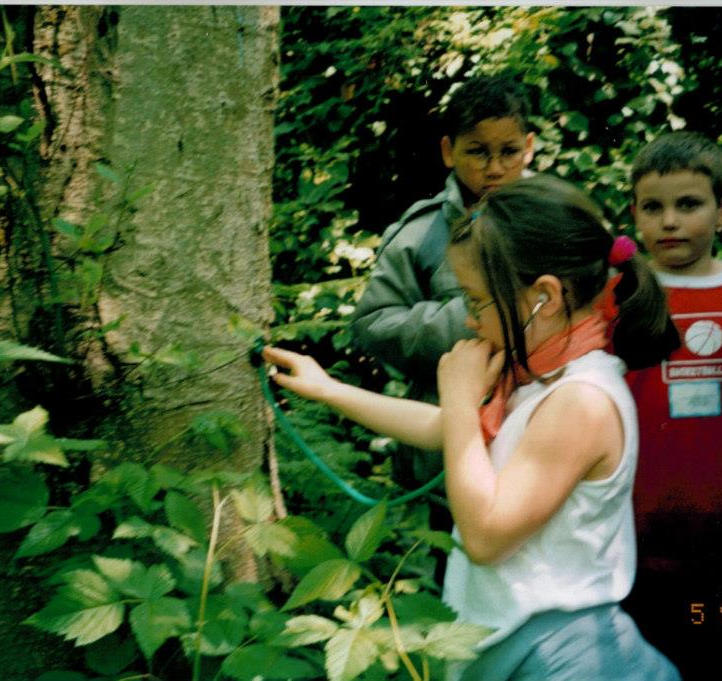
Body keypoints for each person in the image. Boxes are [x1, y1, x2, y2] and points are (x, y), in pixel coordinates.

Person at [265, 175, 681, 680]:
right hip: (522, 651)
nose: (468, 321)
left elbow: (486, 535)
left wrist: (461, 402)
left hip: (567, 657)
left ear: (544, 297)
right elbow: (446, 429)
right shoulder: (536, 379)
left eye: (476, 301)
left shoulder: (582, 400)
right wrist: (329, 389)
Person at [620, 131, 722, 679]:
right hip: (632, 536)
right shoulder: (619, 294)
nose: (669, 221)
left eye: (688, 205)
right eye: (653, 207)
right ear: (634, 213)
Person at [350, 73, 535, 491]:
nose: (494, 168)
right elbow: (372, 326)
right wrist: (474, 316)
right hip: (443, 449)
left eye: (508, 152)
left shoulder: (557, 219)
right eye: (477, 153)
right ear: (449, 152)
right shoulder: (422, 233)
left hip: (538, 438)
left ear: (528, 147)